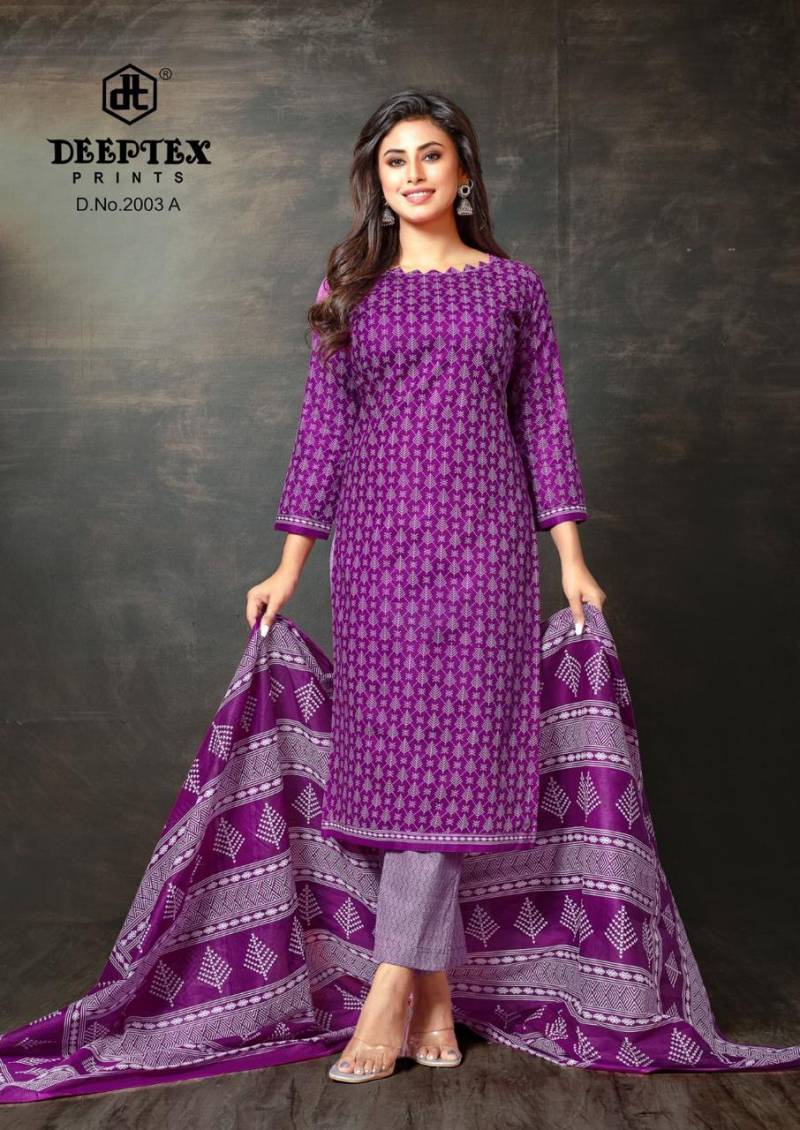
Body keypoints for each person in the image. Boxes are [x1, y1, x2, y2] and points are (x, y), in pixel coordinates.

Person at [245, 89, 606, 1083]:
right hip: (377, 557)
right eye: (394, 159)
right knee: (402, 762)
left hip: (487, 552)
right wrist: (288, 565)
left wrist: (570, 557)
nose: (413, 173)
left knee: (454, 759)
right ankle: (433, 991)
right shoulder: (349, 287)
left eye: (431, 155)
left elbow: (545, 424)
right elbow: (322, 429)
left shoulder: (513, 288)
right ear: (377, 179)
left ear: (463, 171)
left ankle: (387, 990)